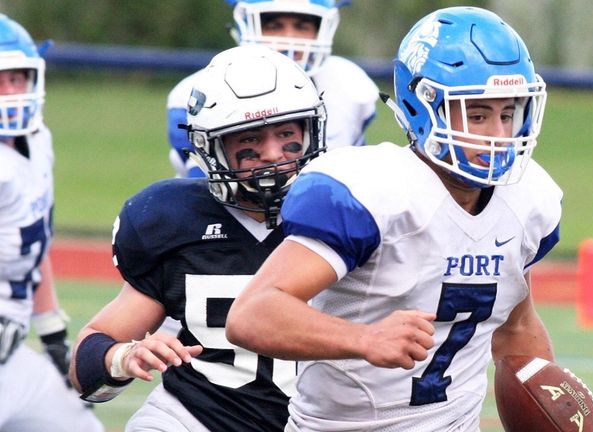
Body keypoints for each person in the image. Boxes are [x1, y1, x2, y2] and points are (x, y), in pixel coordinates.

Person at [226, 6, 563, 431]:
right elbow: (252, 314)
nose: (497, 134)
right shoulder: (371, 191)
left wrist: (549, 403)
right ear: (422, 106)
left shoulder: (529, 198)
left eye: (508, 113)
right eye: (477, 114)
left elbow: (516, 327)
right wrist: (364, 339)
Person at [68, 44, 326, 432]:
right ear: (212, 147)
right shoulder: (174, 220)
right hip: (198, 417)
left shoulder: (355, 209)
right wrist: (124, 356)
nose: (273, 153)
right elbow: (87, 361)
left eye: (287, 133)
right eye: (250, 139)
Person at [0, 14, 103, 432]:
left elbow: (35, 243)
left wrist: (54, 338)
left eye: (18, 78)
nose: (10, 93)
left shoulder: (38, 140)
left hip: (12, 360)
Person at [167, 0, 378, 179]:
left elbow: (354, 180)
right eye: (275, 26)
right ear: (245, 25)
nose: (289, 39)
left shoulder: (350, 86)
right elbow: (205, 191)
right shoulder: (197, 94)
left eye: (302, 26)